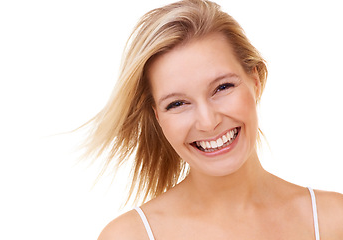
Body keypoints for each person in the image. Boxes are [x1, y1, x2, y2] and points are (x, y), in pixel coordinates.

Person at [82, 0, 343, 239]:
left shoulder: (333, 219)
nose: (208, 122)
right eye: (177, 103)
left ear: (255, 81)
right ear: (157, 117)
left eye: (222, 88)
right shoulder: (131, 236)